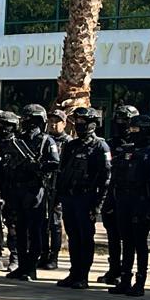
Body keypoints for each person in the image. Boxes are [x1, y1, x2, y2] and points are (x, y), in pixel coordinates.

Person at [107, 115, 150, 296]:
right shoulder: (127, 151)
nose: (132, 133)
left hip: (142, 202)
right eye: (131, 130)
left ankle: (140, 282)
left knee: (140, 243)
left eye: (136, 130)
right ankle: (125, 280)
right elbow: (114, 178)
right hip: (124, 201)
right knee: (127, 242)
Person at [56, 107, 111, 289]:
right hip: (70, 198)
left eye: (83, 123)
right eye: (77, 122)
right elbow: (62, 172)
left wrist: (97, 206)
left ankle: (83, 276)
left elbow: (105, 179)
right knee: (73, 237)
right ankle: (74, 273)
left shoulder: (100, 147)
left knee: (85, 238)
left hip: (86, 198)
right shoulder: (71, 145)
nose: (79, 125)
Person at [6, 105, 60, 282]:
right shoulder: (18, 140)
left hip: (36, 189)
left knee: (35, 231)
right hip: (18, 189)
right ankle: (22, 266)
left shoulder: (46, 141)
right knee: (19, 230)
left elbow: (54, 163)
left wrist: (37, 166)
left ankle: (31, 268)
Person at [98, 105, 139, 284]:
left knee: (130, 238)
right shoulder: (110, 143)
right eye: (119, 120)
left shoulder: (140, 145)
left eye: (125, 120)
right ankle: (114, 269)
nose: (121, 124)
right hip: (111, 194)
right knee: (112, 235)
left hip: (131, 197)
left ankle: (127, 273)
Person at [0, 111, 21, 271]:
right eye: (0, 125)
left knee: (13, 226)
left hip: (12, 190)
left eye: (7, 125)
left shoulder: (19, 144)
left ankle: (15, 257)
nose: (3, 128)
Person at [41, 109, 71, 269]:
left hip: (58, 188)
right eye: (51, 121)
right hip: (44, 186)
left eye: (57, 121)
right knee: (42, 222)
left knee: (55, 223)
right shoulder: (44, 140)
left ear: (64, 123)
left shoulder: (69, 142)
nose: (53, 124)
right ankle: (43, 254)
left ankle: (54, 257)